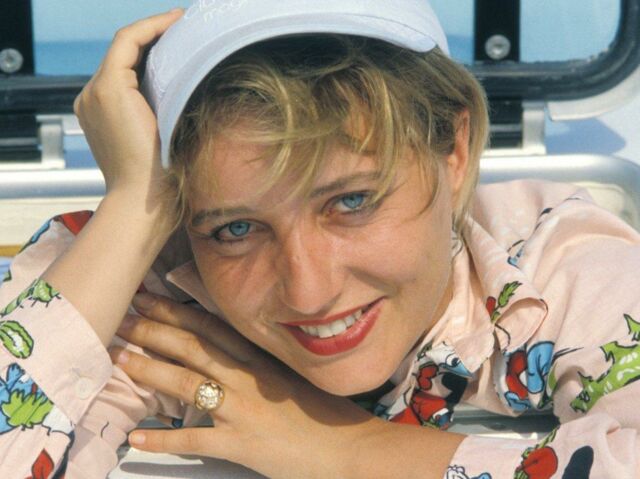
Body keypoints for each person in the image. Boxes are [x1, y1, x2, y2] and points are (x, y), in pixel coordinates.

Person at [1, 1, 639, 477]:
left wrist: (345, 449)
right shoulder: (137, 288)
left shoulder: (552, 258)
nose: (308, 292)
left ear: (452, 149)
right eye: (235, 228)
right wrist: (131, 210)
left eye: (352, 202)